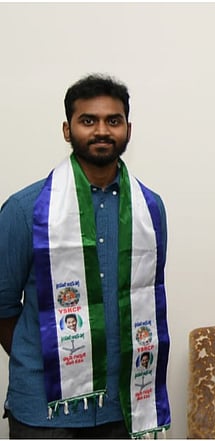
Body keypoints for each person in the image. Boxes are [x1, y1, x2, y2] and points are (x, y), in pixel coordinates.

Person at [0, 74, 170, 438]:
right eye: (88, 120)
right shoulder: (25, 210)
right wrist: (51, 357)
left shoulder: (150, 209)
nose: (102, 131)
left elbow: (148, 294)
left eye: (113, 120)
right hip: (46, 410)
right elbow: (2, 307)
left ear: (128, 129)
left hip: (125, 406)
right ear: (67, 130)